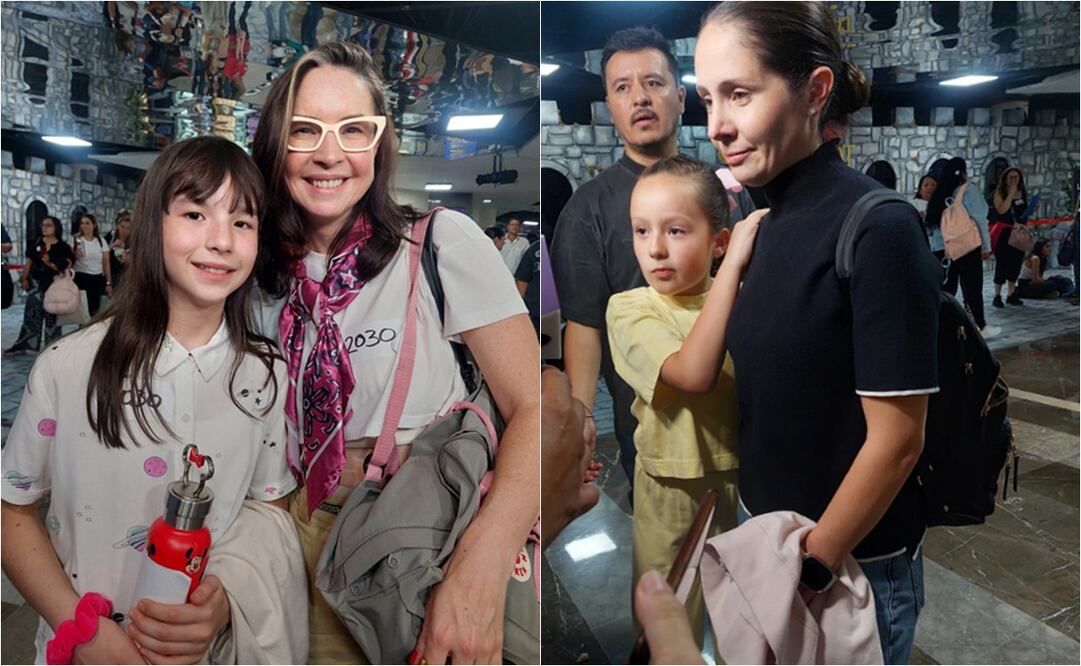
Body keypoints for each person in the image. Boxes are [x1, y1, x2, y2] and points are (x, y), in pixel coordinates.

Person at [251, 42, 539, 664]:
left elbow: (534, 410)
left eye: (354, 129)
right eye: (305, 130)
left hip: (408, 534)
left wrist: (480, 569)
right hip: (278, 526)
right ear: (276, 145)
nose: (330, 153)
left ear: (379, 145)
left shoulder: (437, 243)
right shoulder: (255, 275)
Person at [696, 3, 941, 663]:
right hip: (770, 540)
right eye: (707, 98)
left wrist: (810, 566)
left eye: (739, 94)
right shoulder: (765, 224)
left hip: (845, 562)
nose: (717, 124)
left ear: (814, 91)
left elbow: (897, 442)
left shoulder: (877, 226)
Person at [1, 136, 296, 664]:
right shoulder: (69, 367)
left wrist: (225, 599)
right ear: (152, 223)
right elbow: (12, 510)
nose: (221, 240)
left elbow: (267, 506)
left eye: (243, 222)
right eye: (194, 214)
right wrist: (81, 630)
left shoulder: (267, 373)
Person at [607, 155, 764, 648]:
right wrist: (735, 267)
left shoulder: (742, 294)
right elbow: (692, 373)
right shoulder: (631, 307)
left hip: (746, 479)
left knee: (746, 616)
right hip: (671, 486)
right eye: (640, 230)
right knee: (668, 617)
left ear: (718, 239)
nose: (654, 249)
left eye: (675, 231)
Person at [924, 157, 997, 337]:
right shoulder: (968, 191)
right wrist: (986, 246)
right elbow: (980, 219)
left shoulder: (940, 194)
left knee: (946, 288)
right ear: (963, 172)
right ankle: (981, 326)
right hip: (966, 247)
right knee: (972, 288)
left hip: (944, 249)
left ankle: (939, 325)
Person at [4, 216, 74, 355]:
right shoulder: (36, 244)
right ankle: (25, 344)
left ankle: (53, 345)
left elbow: (65, 266)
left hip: (54, 284)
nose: (44, 228)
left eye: (48, 225)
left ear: (56, 228)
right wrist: (24, 278)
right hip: (37, 283)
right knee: (31, 315)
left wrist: (49, 263)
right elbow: (29, 262)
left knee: (52, 316)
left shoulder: (63, 247)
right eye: (43, 225)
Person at [990, 166, 1030, 307]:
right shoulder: (1000, 193)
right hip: (1004, 233)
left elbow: (1023, 213)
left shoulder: (1022, 193)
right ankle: (997, 295)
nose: (1014, 180)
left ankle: (1011, 293)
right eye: (1011, 177)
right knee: (1002, 263)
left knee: (1016, 262)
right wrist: (1011, 194)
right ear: (1005, 179)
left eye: (1016, 177)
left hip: (1019, 232)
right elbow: (1002, 209)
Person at [72, 213, 113, 316]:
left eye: (87, 223)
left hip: (96, 279)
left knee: (95, 311)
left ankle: (92, 331)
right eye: (82, 223)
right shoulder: (75, 240)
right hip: (81, 278)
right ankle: (82, 331)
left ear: (94, 225)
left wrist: (108, 283)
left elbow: (106, 263)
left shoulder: (100, 241)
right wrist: (74, 255)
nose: (84, 226)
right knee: (82, 313)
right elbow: (69, 260)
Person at [514, 238, 541, 334]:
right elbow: (522, 279)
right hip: (534, 309)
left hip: (563, 314)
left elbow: (522, 279)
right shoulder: (535, 249)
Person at [109, 210, 134, 288]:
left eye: (128, 228)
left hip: (127, 279)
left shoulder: (133, 242)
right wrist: (112, 245)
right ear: (118, 226)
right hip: (112, 278)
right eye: (122, 227)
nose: (125, 230)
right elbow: (102, 254)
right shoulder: (110, 237)